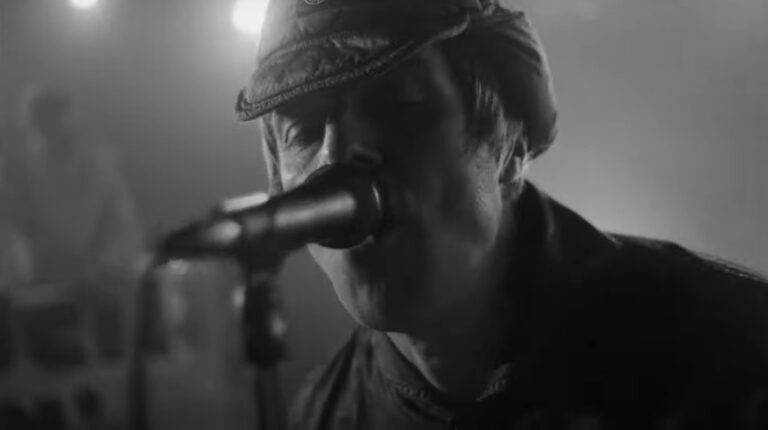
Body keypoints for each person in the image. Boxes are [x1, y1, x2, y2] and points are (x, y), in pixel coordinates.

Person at [235, 0, 768, 428]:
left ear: (510, 147)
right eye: (303, 131)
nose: (337, 157)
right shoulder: (322, 413)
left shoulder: (732, 354)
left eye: (396, 104)